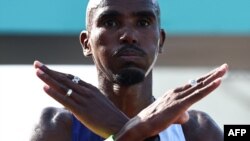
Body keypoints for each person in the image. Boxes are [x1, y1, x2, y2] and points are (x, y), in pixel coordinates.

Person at [31, 0, 228, 141]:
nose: (129, 36)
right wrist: (140, 131)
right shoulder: (56, 125)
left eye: (143, 23)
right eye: (110, 22)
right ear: (86, 43)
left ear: (161, 40)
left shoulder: (197, 129)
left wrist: (123, 131)